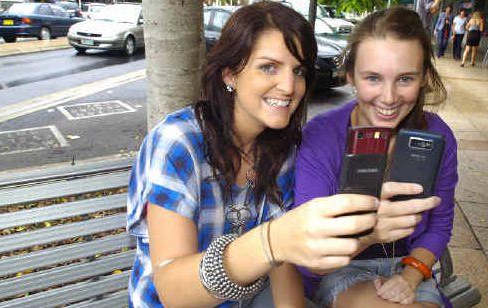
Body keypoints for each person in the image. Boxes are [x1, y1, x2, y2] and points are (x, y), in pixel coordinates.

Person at [126, 2, 390, 307]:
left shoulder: (282, 148)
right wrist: (272, 240)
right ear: (230, 75)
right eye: (268, 67)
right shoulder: (179, 143)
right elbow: (173, 292)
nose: (290, 86)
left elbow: (283, 265)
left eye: (298, 70)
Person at [294, 6, 456, 308]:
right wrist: (370, 234)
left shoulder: (438, 135)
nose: (389, 97)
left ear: (423, 78)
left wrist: (411, 276)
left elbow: (439, 224)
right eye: (373, 78)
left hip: (411, 269)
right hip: (341, 270)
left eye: (405, 79)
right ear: (351, 76)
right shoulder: (322, 137)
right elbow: (310, 259)